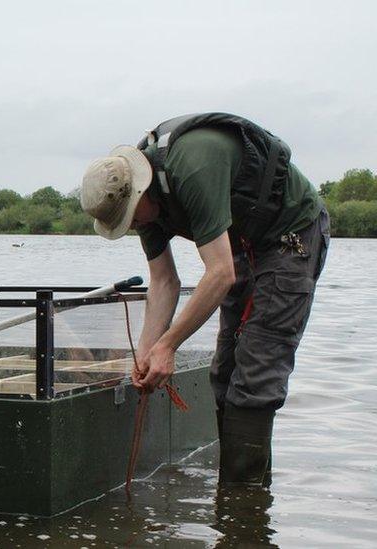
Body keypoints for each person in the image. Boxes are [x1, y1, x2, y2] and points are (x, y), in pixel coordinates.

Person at [79, 113, 329, 486]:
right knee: (224, 373)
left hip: (289, 236)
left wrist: (170, 345)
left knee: (255, 376)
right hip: (241, 245)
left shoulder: (194, 169)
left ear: (140, 192)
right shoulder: (147, 214)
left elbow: (220, 274)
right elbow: (163, 282)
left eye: (128, 217)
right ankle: (245, 511)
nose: (130, 225)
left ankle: (240, 503)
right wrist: (148, 351)